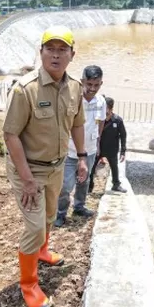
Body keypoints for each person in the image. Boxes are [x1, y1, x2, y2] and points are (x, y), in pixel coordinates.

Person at [3, 25, 88, 307]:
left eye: (62, 49)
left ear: (72, 55)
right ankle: (29, 285)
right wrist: (26, 180)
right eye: (49, 49)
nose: (55, 54)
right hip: (29, 172)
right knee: (35, 226)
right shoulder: (25, 89)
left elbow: (77, 123)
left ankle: (42, 251)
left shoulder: (75, 86)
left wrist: (84, 157)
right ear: (40, 53)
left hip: (57, 166)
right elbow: (11, 135)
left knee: (50, 216)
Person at [55, 65, 106, 227]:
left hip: (90, 150)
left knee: (84, 180)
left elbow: (101, 122)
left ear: (101, 84)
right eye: (89, 84)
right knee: (66, 185)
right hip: (70, 150)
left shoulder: (101, 101)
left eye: (96, 85)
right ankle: (60, 213)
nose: (92, 88)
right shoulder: (73, 99)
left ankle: (79, 207)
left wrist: (98, 143)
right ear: (82, 81)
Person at [91, 96, 127, 193]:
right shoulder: (98, 119)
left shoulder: (117, 120)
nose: (102, 110)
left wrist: (123, 152)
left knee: (114, 167)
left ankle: (116, 185)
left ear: (110, 108)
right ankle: (89, 187)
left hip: (112, 149)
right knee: (92, 168)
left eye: (105, 108)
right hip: (98, 149)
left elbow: (123, 136)